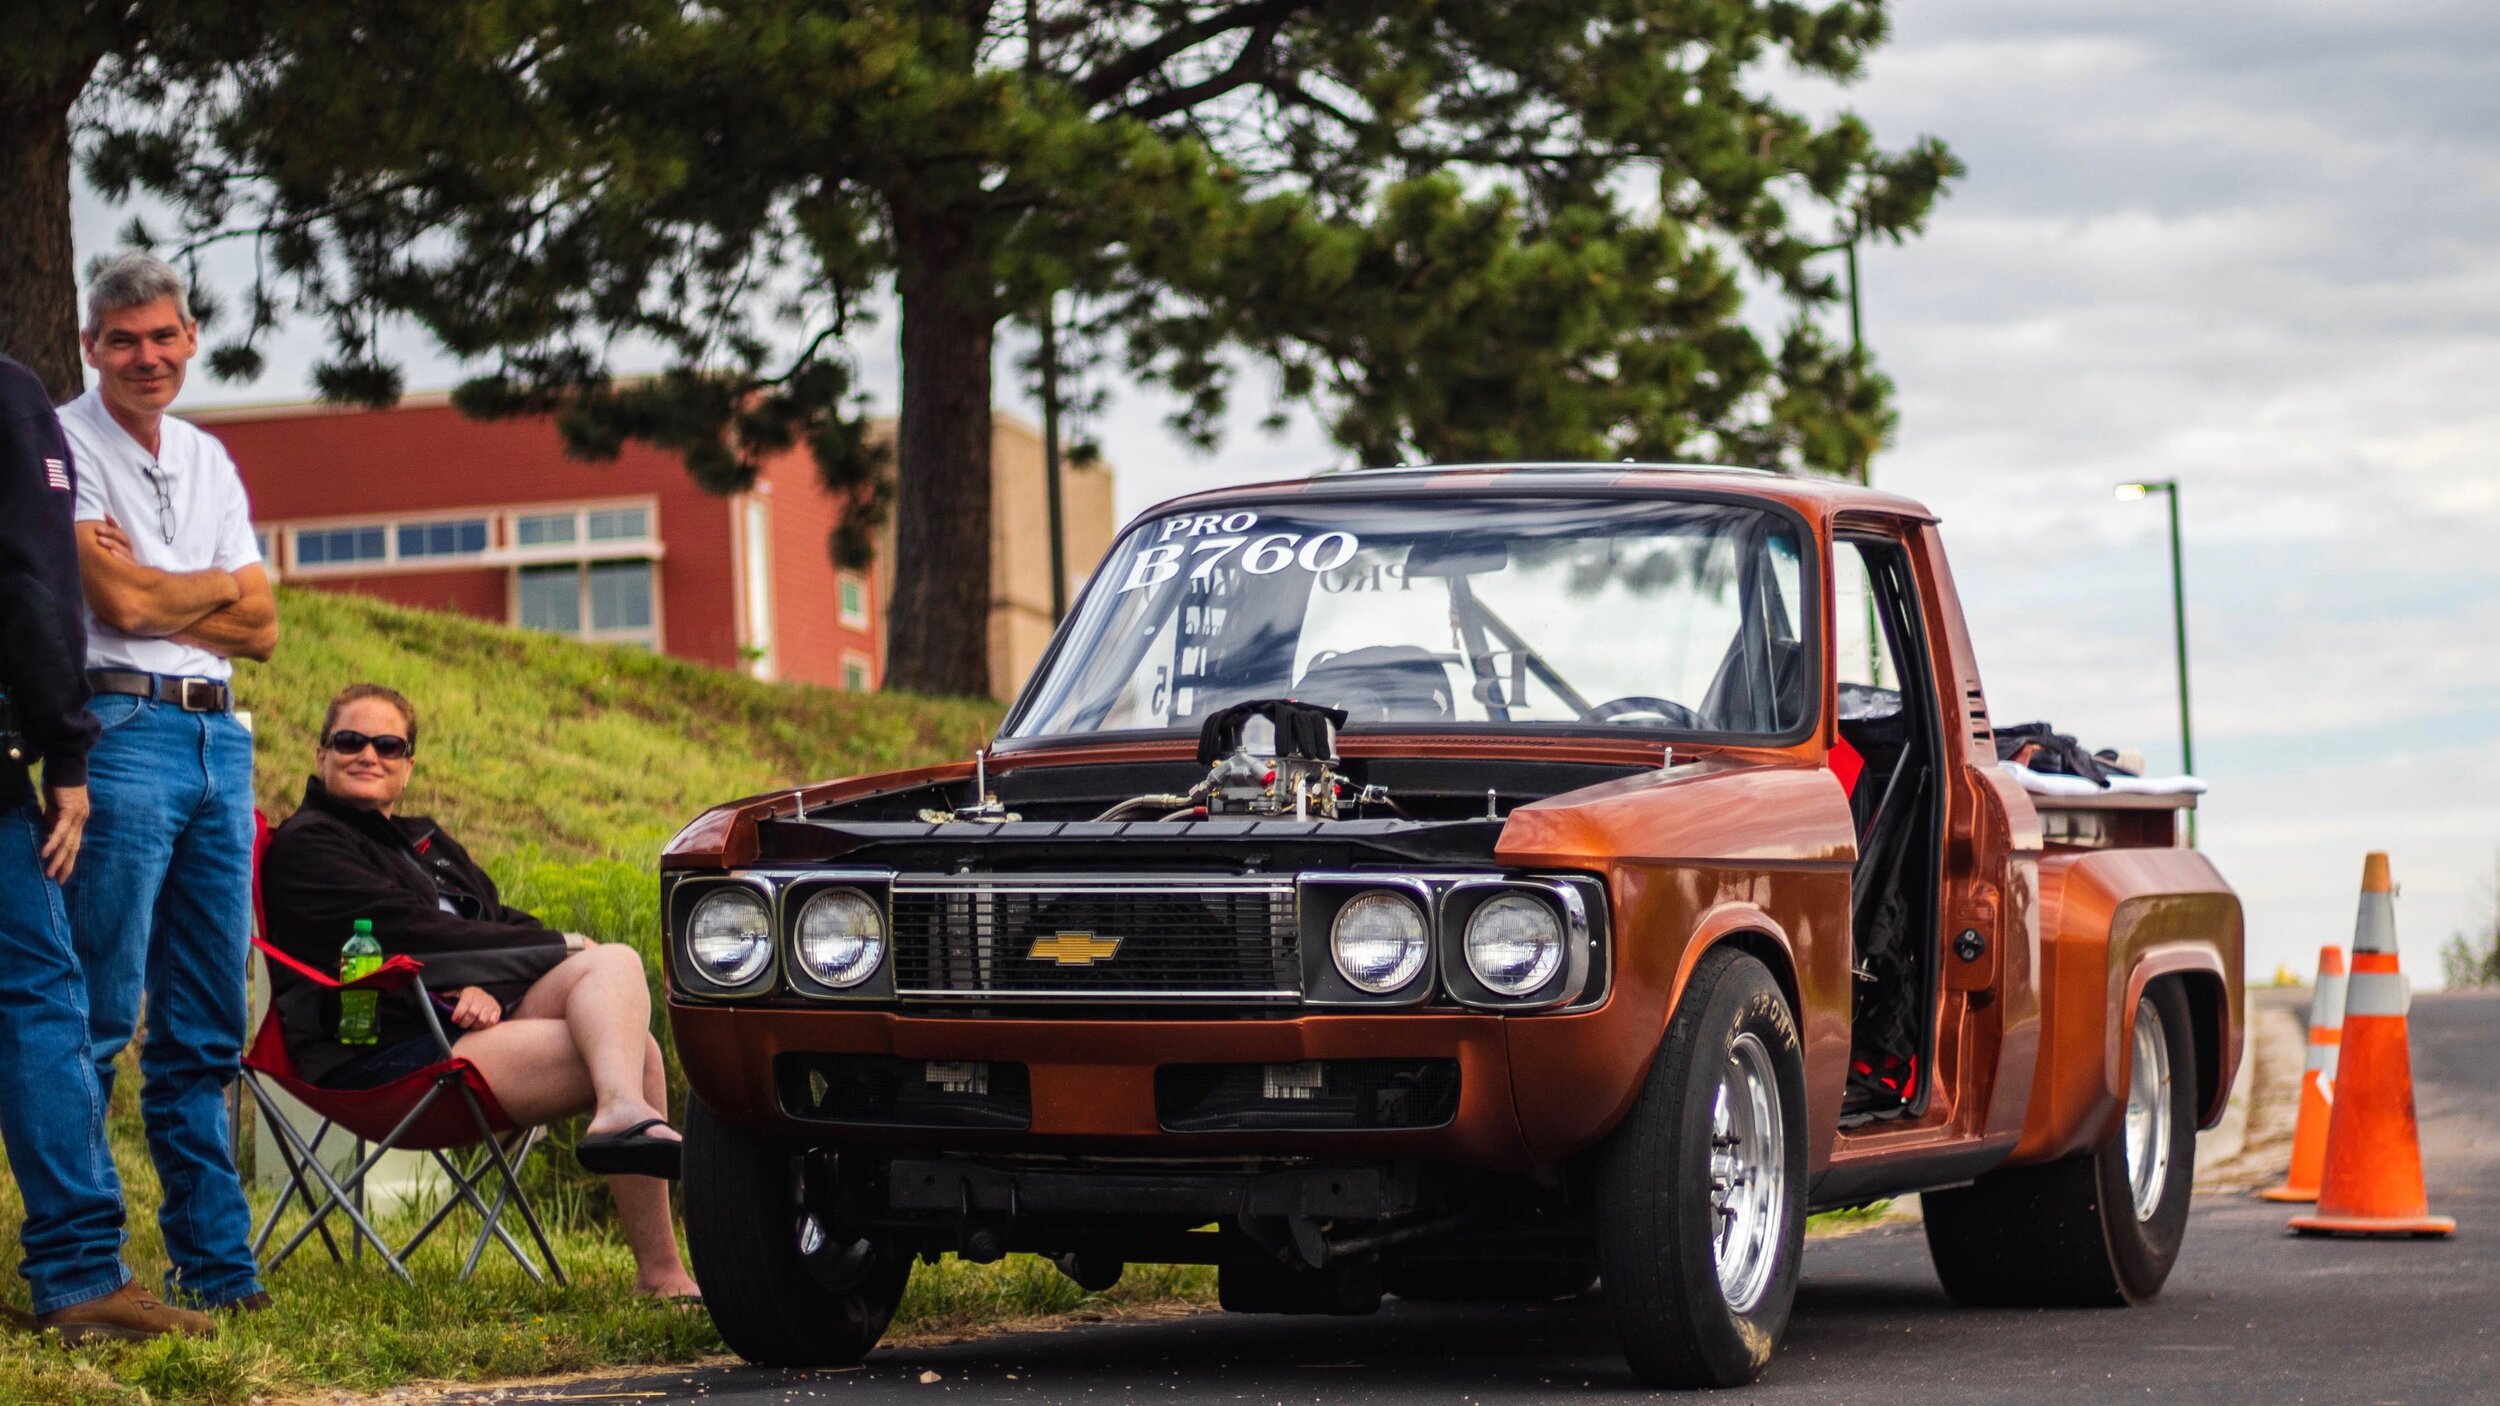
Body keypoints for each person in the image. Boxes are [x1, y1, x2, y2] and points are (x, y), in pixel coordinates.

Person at [261, 684, 700, 1301]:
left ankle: (626, 1139)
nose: (368, 755)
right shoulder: (310, 845)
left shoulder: (424, 842)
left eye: (388, 745)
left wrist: (492, 975)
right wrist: (528, 958)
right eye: (350, 741)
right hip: (381, 1054)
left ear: (408, 765)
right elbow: (404, 934)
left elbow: (494, 921)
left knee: (614, 964)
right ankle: (652, 1246)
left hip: (455, 1025)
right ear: (321, 754)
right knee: (636, 1047)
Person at [58, 251, 276, 1311]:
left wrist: (156, 586)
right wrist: (208, 591)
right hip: (122, 725)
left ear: (190, 339)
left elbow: (265, 626)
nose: (146, 355)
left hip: (217, 741)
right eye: (122, 339)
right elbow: (123, 610)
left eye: (163, 335)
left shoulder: (209, 456)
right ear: (91, 348)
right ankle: (86, 1264)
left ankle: (220, 1272)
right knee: (97, 1009)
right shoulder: (62, 439)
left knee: (202, 1026)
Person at [0, 350, 212, 1341]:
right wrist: (65, 752)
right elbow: (38, 581)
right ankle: (82, 1275)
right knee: (40, 997)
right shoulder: (9, 395)